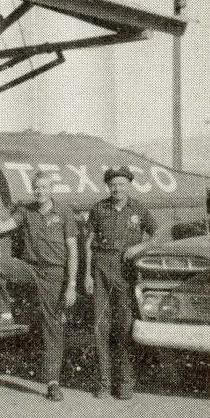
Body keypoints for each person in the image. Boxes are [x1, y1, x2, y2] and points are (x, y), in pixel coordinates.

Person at [0, 171, 78, 402]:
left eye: (44, 187)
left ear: (52, 190)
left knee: (52, 326)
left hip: (53, 273)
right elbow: (1, 227)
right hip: (30, 267)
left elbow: (73, 251)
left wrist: (71, 285)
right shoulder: (26, 211)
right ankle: (4, 314)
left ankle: (52, 382)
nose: (40, 191)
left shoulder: (65, 212)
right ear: (33, 189)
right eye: (37, 187)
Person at [83, 166, 157, 400]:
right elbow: (88, 243)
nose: (117, 188)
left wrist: (140, 247)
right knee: (100, 328)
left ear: (128, 185)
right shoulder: (99, 208)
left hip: (126, 272)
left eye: (122, 184)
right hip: (102, 269)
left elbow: (158, 234)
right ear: (108, 186)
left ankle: (125, 382)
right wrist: (87, 274)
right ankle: (104, 383)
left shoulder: (139, 209)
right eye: (113, 185)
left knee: (125, 328)